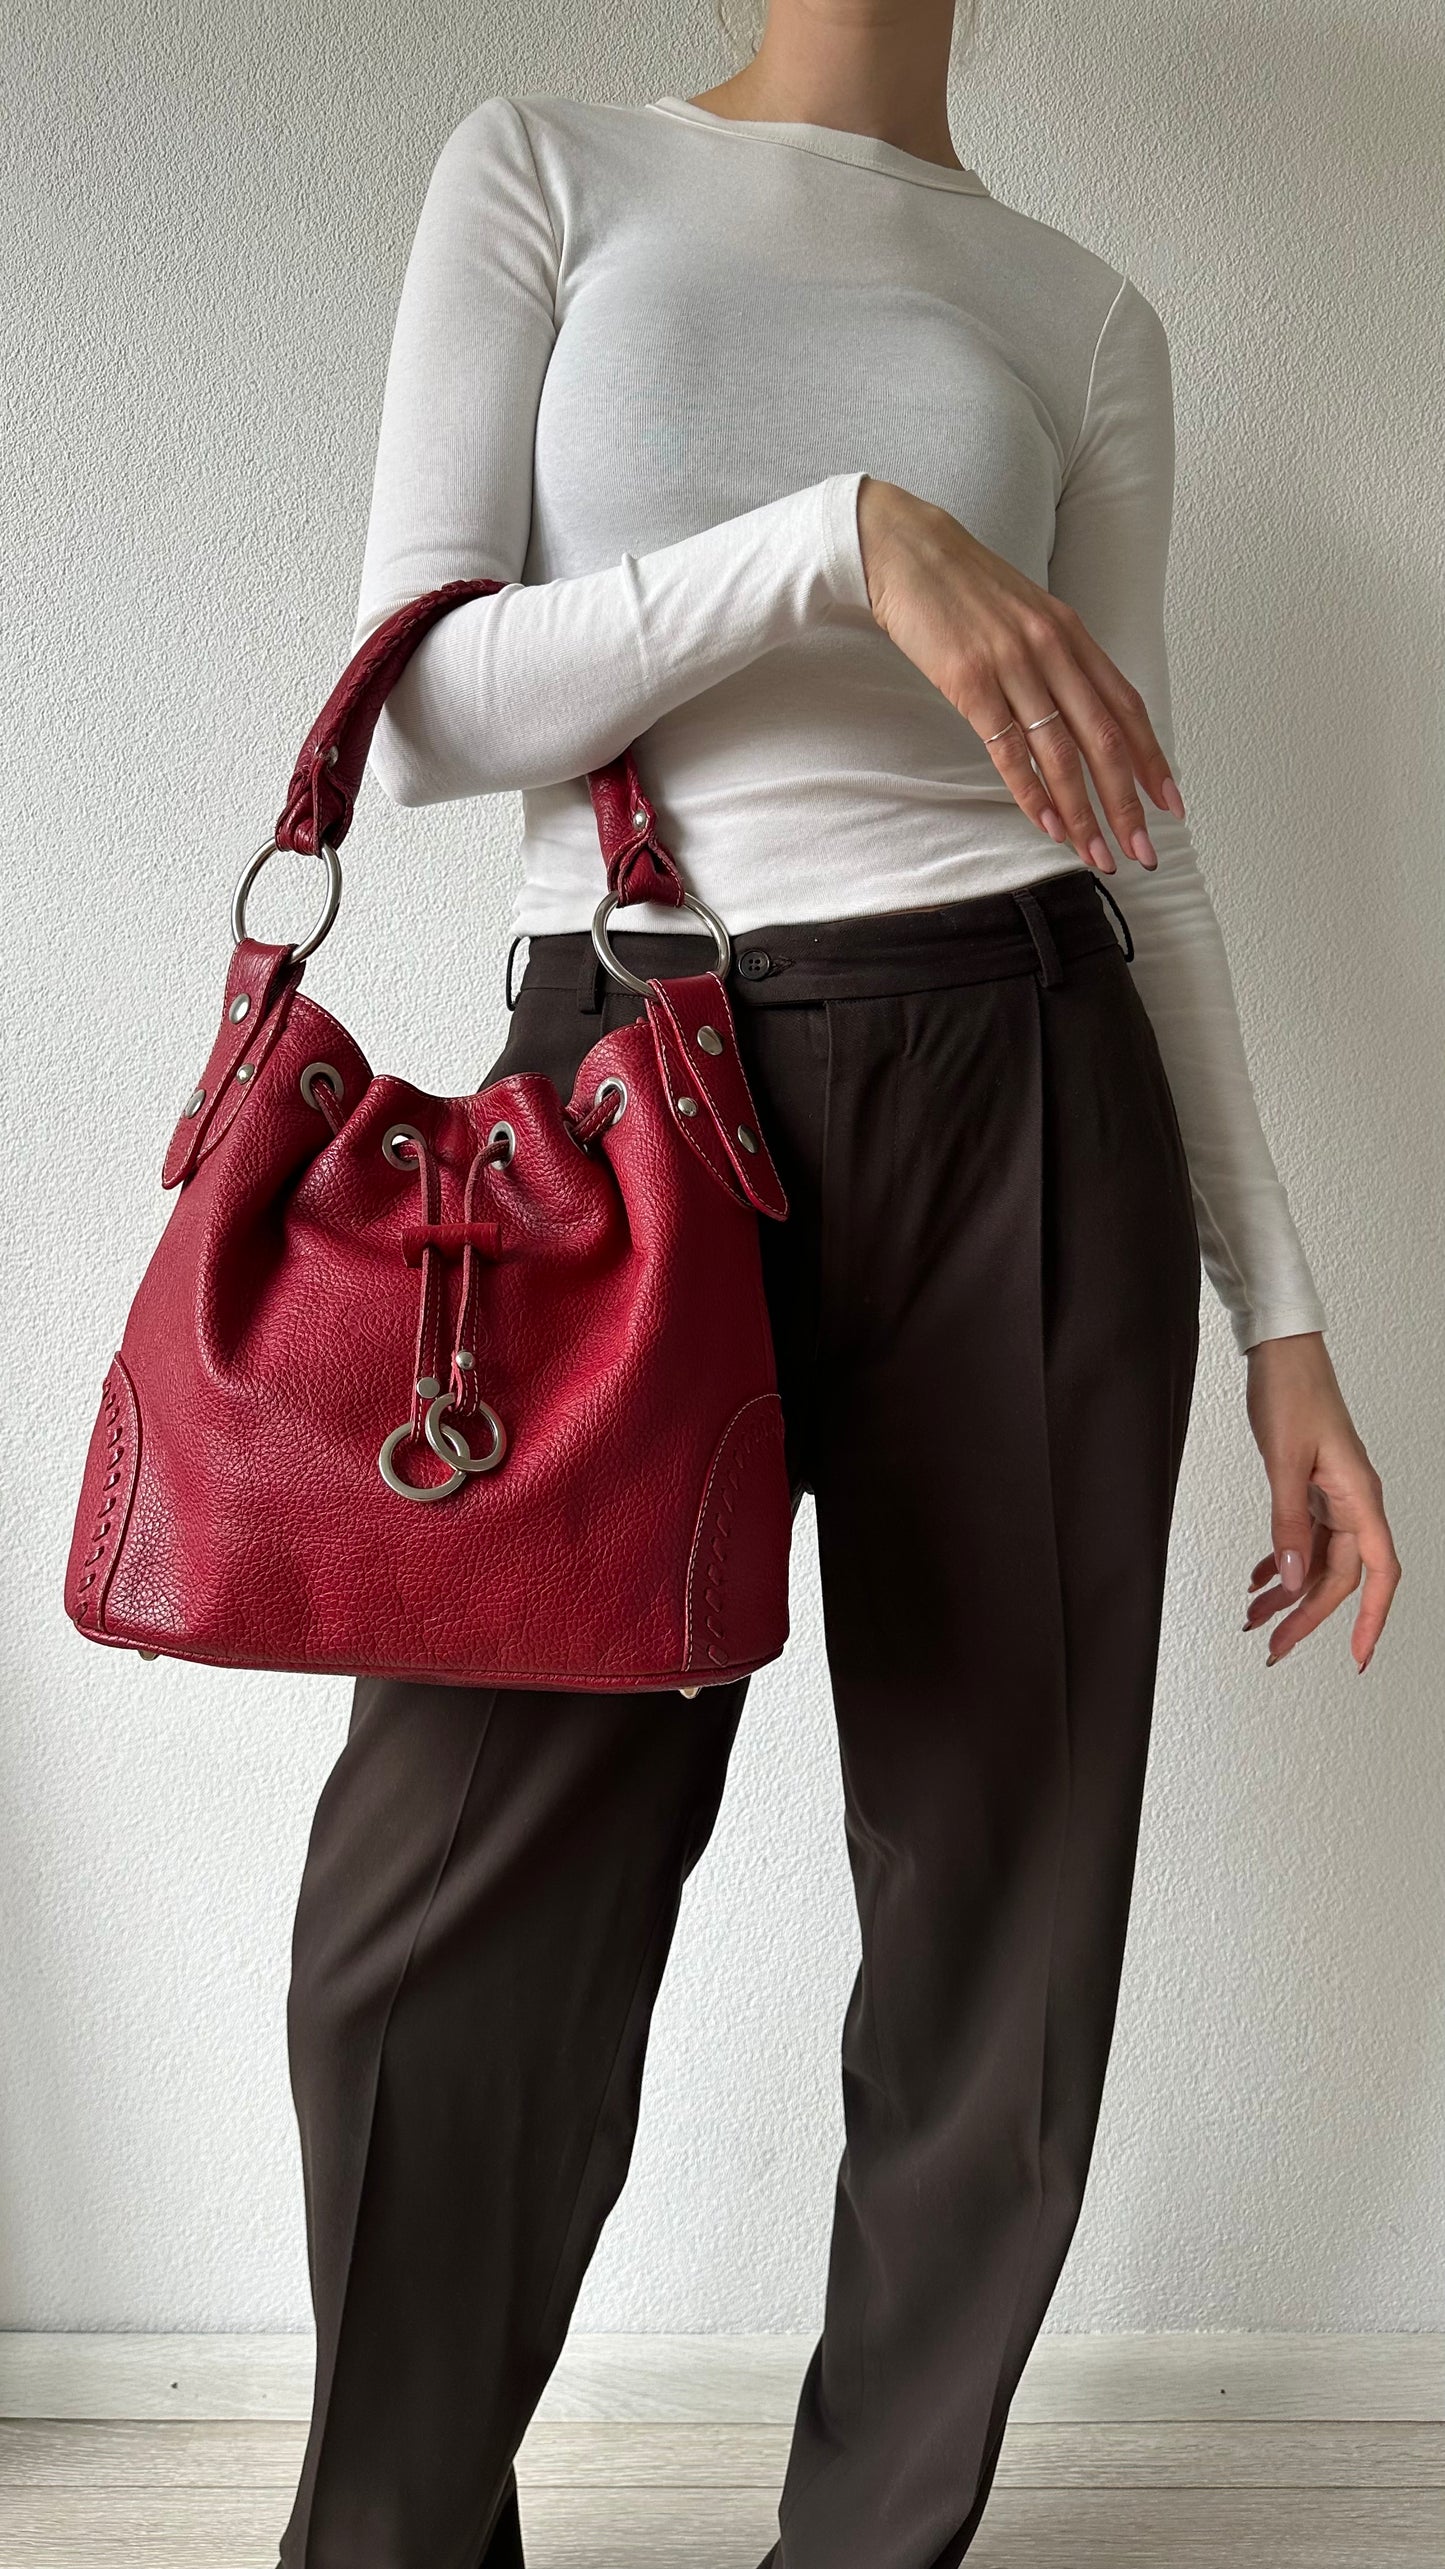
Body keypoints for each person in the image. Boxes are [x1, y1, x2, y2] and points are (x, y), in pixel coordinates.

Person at [276, 5, 1401, 2563]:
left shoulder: (1081, 313)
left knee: (1002, 1929)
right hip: (619, 1093)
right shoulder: (549, 172)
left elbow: (1141, 832)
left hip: (1029, 1089)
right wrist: (836, 536)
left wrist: (1286, 1323)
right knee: (431, 1915)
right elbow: (427, 704)